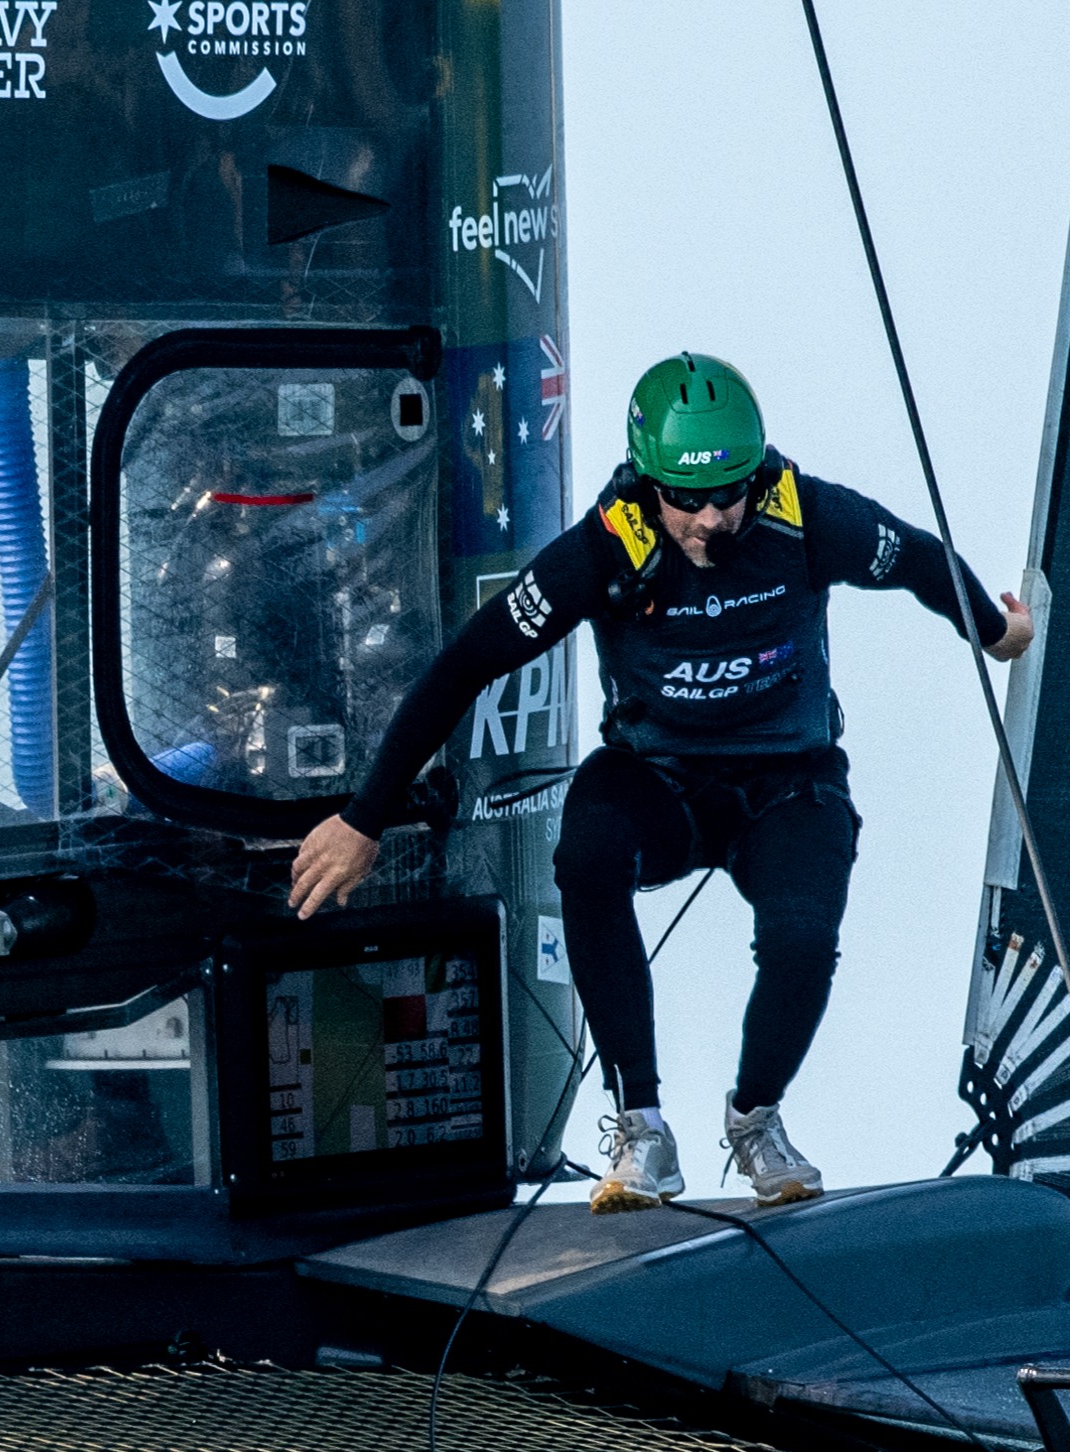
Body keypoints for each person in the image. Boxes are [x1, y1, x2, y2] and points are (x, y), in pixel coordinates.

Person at [289, 353, 1031, 1213]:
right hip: (660, 780)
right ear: (650, 485)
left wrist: (991, 631)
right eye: (688, 498)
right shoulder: (603, 550)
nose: (713, 518)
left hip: (787, 781)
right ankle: (640, 1128)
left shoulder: (809, 518)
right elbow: (466, 664)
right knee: (587, 850)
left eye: (730, 492)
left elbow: (918, 561)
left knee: (799, 938)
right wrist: (364, 818)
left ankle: (755, 1122)